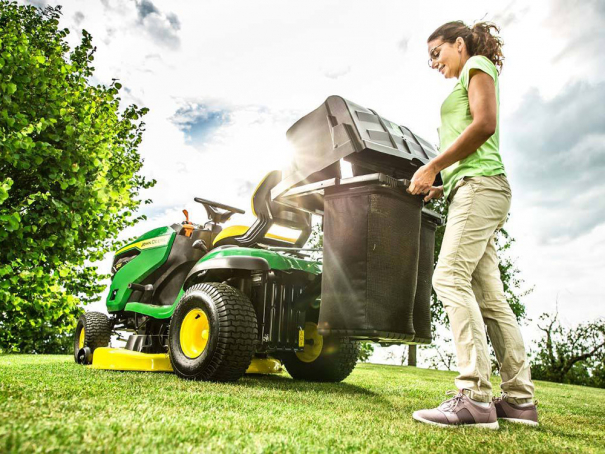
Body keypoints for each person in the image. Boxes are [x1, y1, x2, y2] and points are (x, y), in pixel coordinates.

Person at [407, 21, 538, 429]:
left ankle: (475, 397)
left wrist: (433, 166)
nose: (434, 63)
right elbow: (472, 150)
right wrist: (444, 184)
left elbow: (485, 124)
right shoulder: (465, 74)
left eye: (436, 53)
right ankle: (518, 401)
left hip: (481, 189)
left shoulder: (476, 65)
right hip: (476, 186)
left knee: (447, 276)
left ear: (458, 44)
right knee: (490, 297)